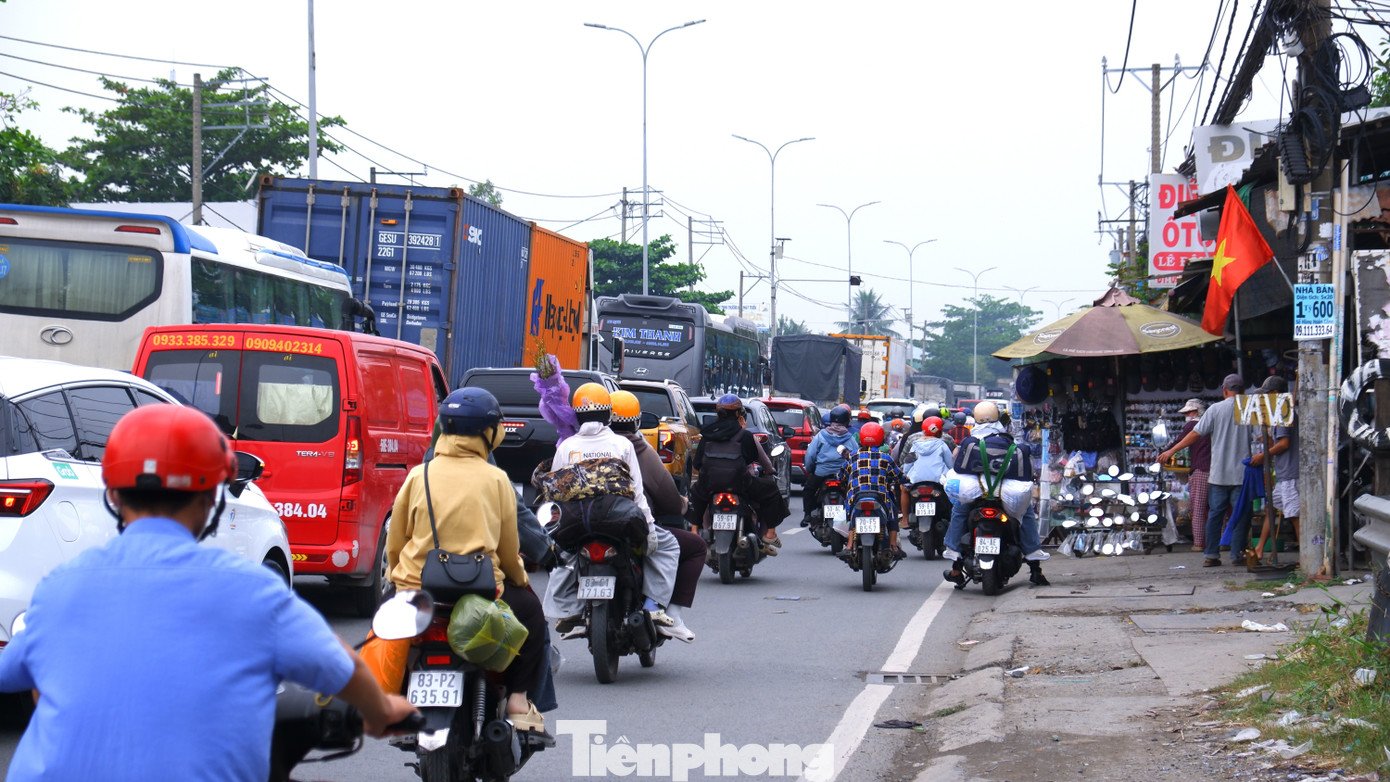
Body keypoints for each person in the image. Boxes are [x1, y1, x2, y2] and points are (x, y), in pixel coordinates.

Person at [0, 405, 416, 781]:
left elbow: (17, 673)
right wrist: (382, 712)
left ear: (113, 494)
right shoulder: (252, 590)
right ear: (210, 500)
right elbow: (342, 670)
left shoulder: (60, 586)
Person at [387, 387, 550, 735]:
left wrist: (397, 578)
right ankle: (519, 700)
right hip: (481, 590)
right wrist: (520, 579)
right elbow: (509, 549)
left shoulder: (419, 475)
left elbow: (396, 540)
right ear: (489, 432)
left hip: (418, 590)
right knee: (533, 617)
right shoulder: (497, 479)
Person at [543, 383, 692, 642]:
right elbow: (636, 493)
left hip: (577, 524)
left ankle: (567, 610)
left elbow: (556, 492)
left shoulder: (566, 446)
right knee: (668, 547)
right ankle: (654, 607)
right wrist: (649, 530)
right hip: (619, 521)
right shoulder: (621, 444)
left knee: (563, 558)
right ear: (608, 415)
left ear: (577, 415)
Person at [609, 390, 707, 637]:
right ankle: (669, 613)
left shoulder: (580, 443)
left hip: (587, 523)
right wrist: (682, 505)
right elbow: (667, 496)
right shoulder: (637, 449)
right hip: (632, 526)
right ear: (637, 421)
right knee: (694, 546)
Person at [943, 401, 1050, 587]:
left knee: (959, 511)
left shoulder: (970, 442)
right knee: (1026, 514)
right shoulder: (1009, 442)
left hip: (977, 495)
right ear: (997, 417)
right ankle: (1035, 566)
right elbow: (1025, 474)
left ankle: (955, 567)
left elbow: (959, 469)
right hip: (1005, 496)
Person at [1158, 373, 1253, 568]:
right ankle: (1236, 555)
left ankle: (1211, 554)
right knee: (1240, 514)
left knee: (1215, 514)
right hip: (1241, 474)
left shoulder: (1215, 410)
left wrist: (1171, 450)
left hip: (1218, 473)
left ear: (1224, 390)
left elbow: (1195, 434)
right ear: (1242, 390)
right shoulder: (1249, 409)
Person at [687, 394, 790, 554]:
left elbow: (697, 464)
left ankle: (694, 531)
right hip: (740, 484)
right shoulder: (745, 435)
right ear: (738, 414)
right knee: (770, 489)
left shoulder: (707, 436)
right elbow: (753, 460)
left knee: (696, 494)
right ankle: (770, 533)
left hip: (709, 484)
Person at [836, 421, 909, 560]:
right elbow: (899, 476)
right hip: (880, 497)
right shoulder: (885, 457)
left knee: (852, 517)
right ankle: (893, 546)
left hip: (856, 497)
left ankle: (849, 546)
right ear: (881, 439)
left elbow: (841, 476)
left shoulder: (852, 456)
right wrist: (906, 480)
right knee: (892, 514)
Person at [1250, 376, 1299, 545]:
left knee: (1294, 515)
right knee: (1271, 508)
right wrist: (1267, 440)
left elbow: (1284, 444)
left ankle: (1305, 559)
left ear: (1275, 394)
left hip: (1291, 473)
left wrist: (1263, 455)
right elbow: (1278, 443)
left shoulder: (1284, 412)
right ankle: (1260, 548)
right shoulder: (1280, 414)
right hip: (1284, 473)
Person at [801, 404, 859, 526]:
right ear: (847, 420)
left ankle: (807, 515)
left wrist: (811, 470)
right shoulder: (850, 438)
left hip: (821, 473)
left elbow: (810, 456)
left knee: (808, 490)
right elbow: (856, 457)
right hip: (843, 475)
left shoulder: (821, 435)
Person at [1173, 398, 1211, 552]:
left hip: (1201, 470)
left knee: (1197, 508)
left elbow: (1179, 441)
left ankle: (1199, 543)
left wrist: (1166, 453)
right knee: (1215, 508)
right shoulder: (1210, 424)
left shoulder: (1192, 425)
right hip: (1214, 469)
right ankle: (1220, 540)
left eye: (1189, 412)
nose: (1187, 415)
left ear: (1196, 412)